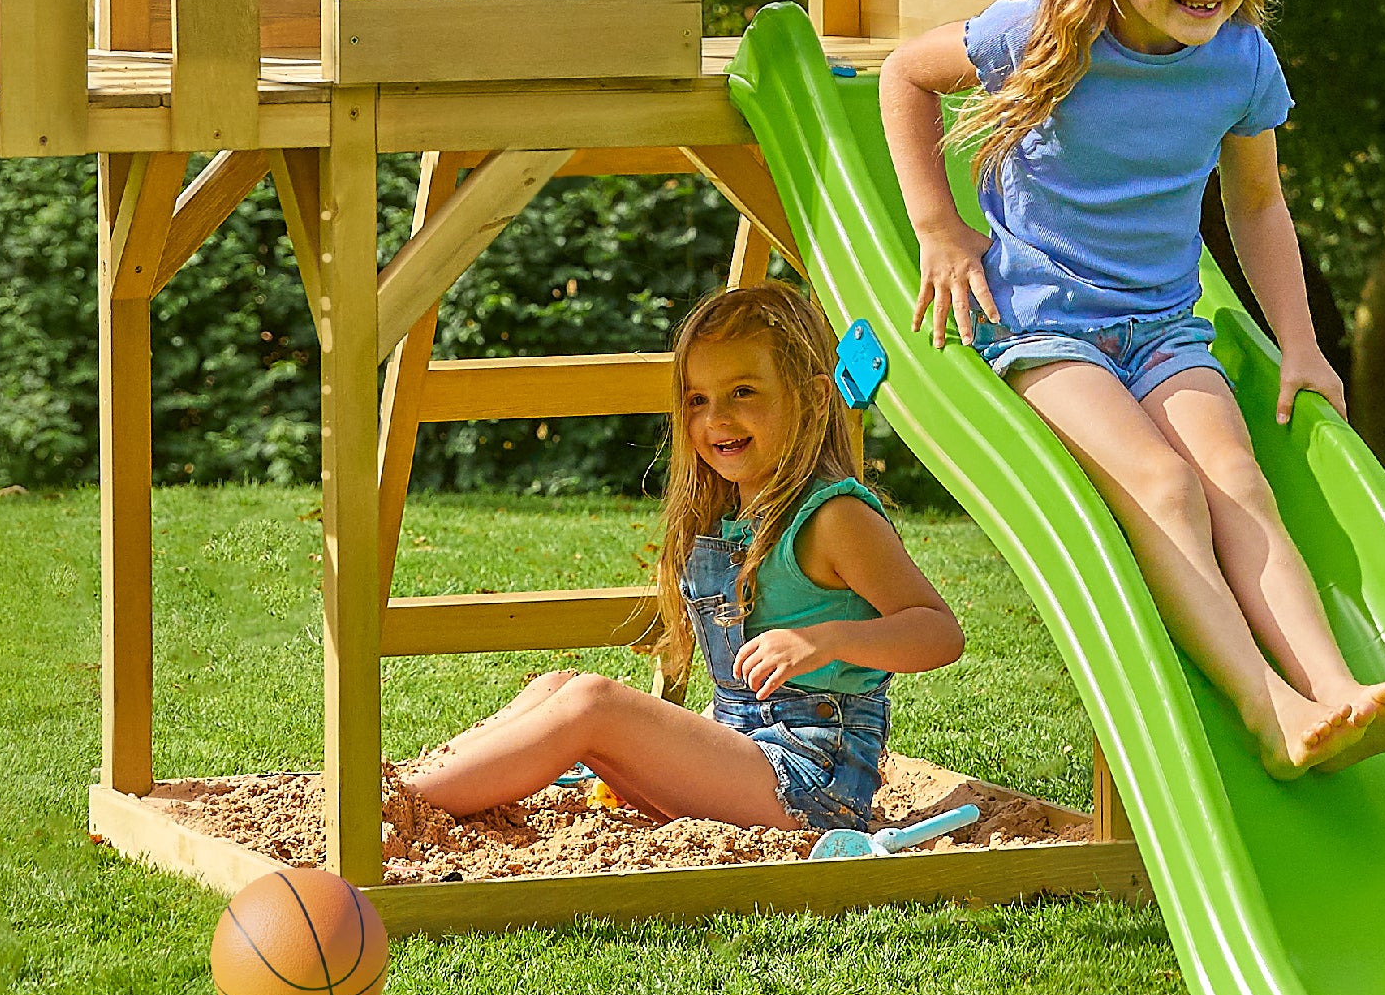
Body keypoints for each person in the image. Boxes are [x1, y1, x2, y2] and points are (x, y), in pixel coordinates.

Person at [875, 0, 1385, 778]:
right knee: (1167, 486)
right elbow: (903, 75)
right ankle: (1270, 711)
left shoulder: (1238, 62)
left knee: (1240, 485)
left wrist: (1298, 343)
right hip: (1047, 329)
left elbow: (1257, 205)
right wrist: (939, 228)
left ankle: (1333, 687)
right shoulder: (1041, 34)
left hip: (1165, 327)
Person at [399, 285, 963, 831]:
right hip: (739, 754)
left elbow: (939, 633)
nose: (716, 417)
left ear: (815, 399)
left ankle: (405, 804)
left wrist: (825, 641)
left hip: (811, 784)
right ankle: (402, 785)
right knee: (558, 686)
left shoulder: (833, 518)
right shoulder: (721, 517)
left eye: (743, 392)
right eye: (698, 399)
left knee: (593, 703)